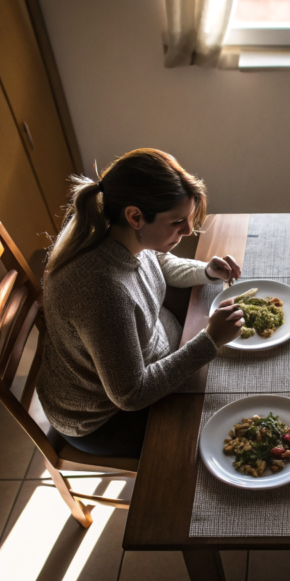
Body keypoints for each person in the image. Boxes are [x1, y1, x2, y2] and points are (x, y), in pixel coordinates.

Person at [37, 148, 245, 459]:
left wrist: (204, 271)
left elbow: (156, 261)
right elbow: (130, 395)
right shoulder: (102, 291)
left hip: (150, 358)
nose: (188, 230)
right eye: (177, 222)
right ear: (135, 216)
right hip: (104, 419)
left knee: (232, 382)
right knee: (218, 436)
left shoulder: (116, 231)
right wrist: (210, 340)